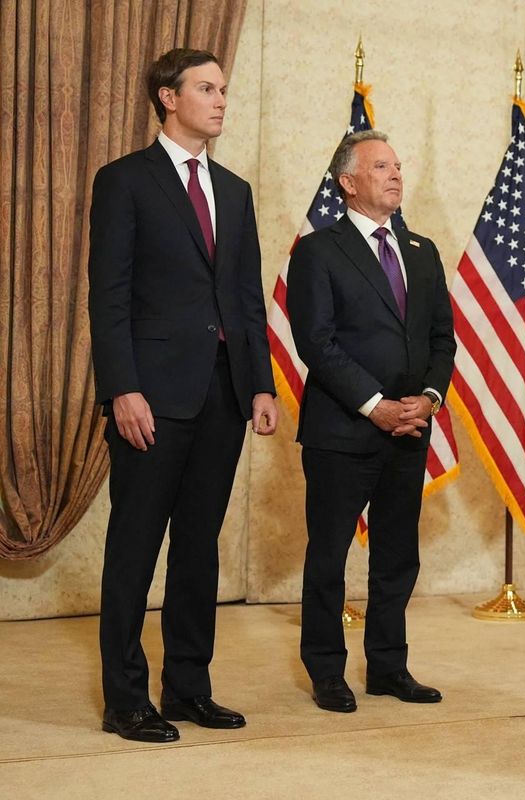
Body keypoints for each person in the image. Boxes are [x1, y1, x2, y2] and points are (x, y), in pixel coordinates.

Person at [89, 48, 277, 743]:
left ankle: (188, 687)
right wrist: (123, 389)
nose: (221, 99)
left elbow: (246, 298)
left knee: (198, 550)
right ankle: (125, 701)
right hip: (151, 397)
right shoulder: (124, 181)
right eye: (206, 88)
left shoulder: (235, 190)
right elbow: (108, 296)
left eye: (224, 88)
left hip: (223, 396)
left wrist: (259, 383)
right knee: (135, 548)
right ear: (168, 97)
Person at [287, 130, 455, 714]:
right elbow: (316, 341)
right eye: (381, 166)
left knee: (397, 557)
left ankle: (388, 667)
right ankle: (326, 671)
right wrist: (374, 405)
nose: (395, 174)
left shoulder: (422, 250)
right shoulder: (318, 251)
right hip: (342, 431)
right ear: (348, 182)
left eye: (398, 165)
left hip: (410, 430)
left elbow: (442, 338)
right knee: (329, 556)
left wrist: (428, 398)